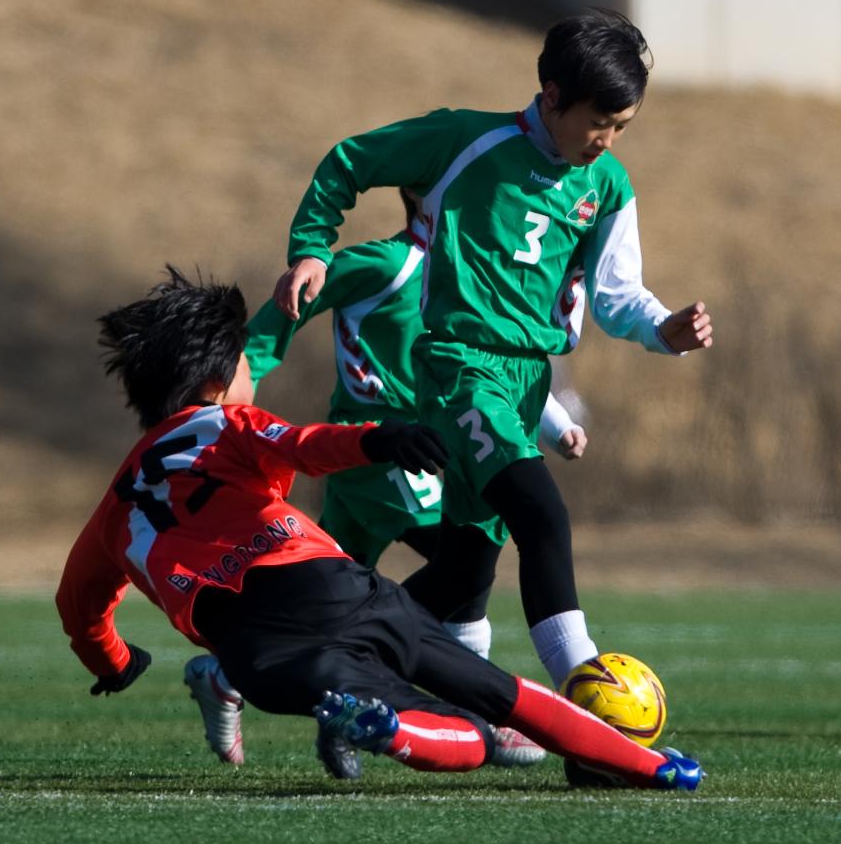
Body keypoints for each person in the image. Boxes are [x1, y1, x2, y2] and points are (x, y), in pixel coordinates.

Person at [55, 267, 704, 792]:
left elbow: (78, 604)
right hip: (326, 585)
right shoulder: (224, 423)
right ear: (217, 384)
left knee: (441, 720)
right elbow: (305, 444)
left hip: (254, 655)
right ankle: (653, 765)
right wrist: (381, 438)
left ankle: (389, 724)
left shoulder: (112, 513)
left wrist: (114, 662)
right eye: (250, 365)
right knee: (497, 712)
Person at [272, 9, 714, 695]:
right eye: (599, 121)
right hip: (459, 369)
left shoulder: (606, 186)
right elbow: (348, 162)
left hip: (525, 383)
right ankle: (586, 692)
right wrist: (308, 250)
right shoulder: (463, 139)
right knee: (541, 514)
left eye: (622, 126)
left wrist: (663, 328)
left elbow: (617, 294)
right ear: (551, 98)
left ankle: (331, 665)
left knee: (460, 573)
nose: (607, 140)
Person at [189, 190, 585, 769]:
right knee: (462, 566)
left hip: (412, 447)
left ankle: (234, 676)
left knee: (331, 603)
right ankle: (482, 718)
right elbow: (289, 306)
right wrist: (234, 380)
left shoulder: (476, 277)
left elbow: (496, 359)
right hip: (380, 450)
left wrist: (555, 423)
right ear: (433, 198)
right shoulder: (384, 264)